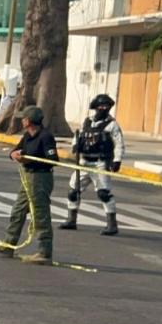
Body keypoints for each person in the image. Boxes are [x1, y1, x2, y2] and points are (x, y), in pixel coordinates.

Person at [0, 105, 60, 264]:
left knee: (40, 215)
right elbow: (16, 150)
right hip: (28, 178)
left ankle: (44, 253)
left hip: (40, 178)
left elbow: (53, 160)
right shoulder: (27, 136)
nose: (22, 121)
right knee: (18, 211)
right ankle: (9, 245)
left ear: (29, 121)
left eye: (24, 118)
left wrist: (29, 160)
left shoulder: (45, 137)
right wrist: (13, 154)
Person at [60, 93, 126, 236]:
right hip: (84, 162)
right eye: (101, 106)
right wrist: (75, 145)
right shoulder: (87, 121)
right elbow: (78, 135)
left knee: (103, 193)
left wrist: (117, 160)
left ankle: (112, 224)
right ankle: (71, 220)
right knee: (73, 191)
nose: (103, 108)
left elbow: (119, 144)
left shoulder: (112, 124)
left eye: (106, 106)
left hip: (100, 163)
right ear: (95, 107)